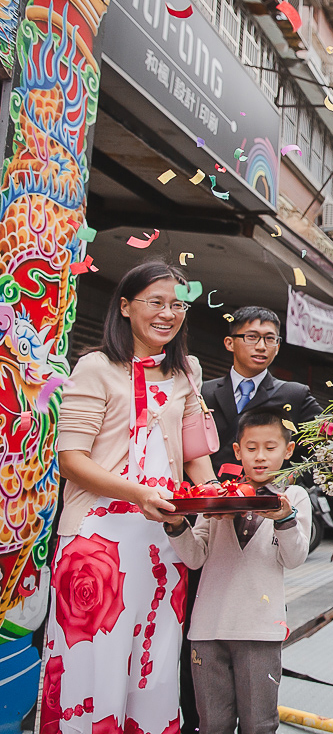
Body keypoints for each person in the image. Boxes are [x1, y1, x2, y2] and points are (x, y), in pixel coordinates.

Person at [45, 261, 218, 734]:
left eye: (177, 305)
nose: (168, 313)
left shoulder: (187, 372)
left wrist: (217, 498)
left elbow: (195, 456)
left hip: (164, 543)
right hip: (97, 541)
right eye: (155, 302)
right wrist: (139, 493)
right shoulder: (95, 366)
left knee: (155, 665)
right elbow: (72, 459)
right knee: (96, 664)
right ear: (125, 306)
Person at [164, 408, 311, 734]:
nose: (260, 457)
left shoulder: (294, 496)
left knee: (259, 723)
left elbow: (295, 557)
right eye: (251, 448)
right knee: (212, 723)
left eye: (270, 448)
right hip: (207, 629)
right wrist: (175, 525)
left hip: (260, 630)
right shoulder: (216, 495)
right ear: (237, 451)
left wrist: (285, 519)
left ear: (288, 450)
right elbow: (194, 558)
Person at [201, 306, 323, 470]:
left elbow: (327, 441)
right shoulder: (202, 392)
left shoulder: (295, 395)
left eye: (270, 339)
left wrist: (293, 481)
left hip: (268, 495)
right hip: (206, 492)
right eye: (251, 337)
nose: (261, 346)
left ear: (278, 347)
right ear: (229, 343)